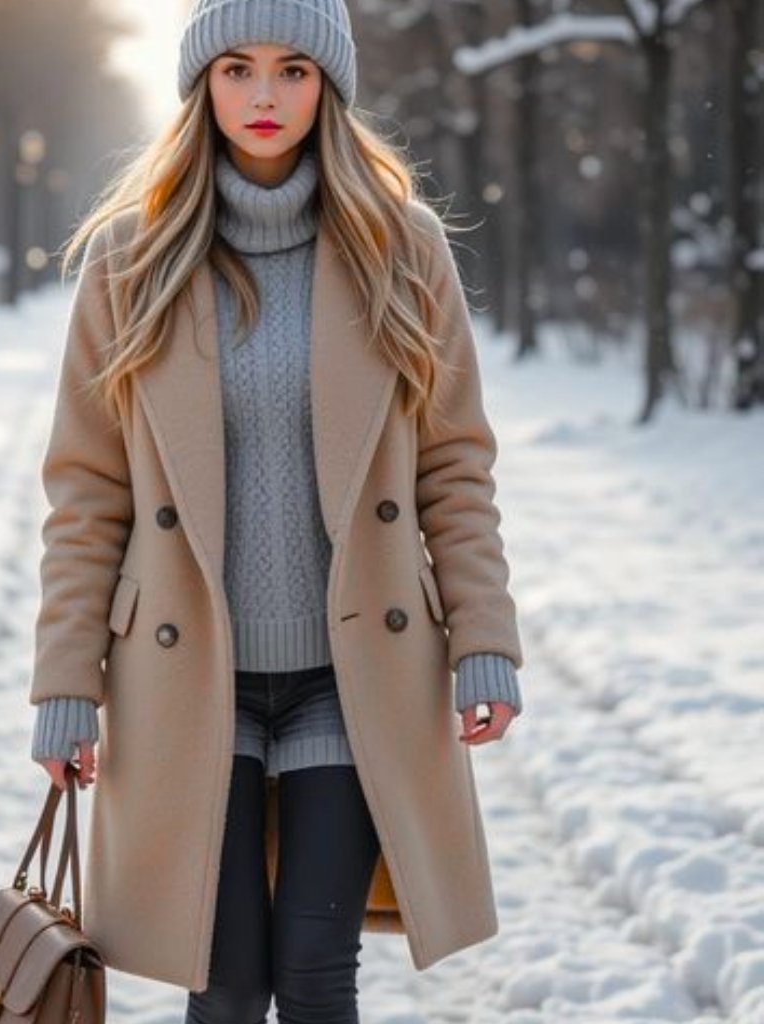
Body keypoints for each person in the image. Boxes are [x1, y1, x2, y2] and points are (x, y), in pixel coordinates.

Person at [27, 0, 525, 1019]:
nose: (263, 95)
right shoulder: (133, 258)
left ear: (329, 87)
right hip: (185, 673)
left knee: (313, 972)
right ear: (200, 85)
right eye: (238, 69)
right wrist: (64, 676)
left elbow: (453, 469)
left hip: (351, 674)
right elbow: (88, 493)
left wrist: (484, 636)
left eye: (293, 70)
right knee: (224, 982)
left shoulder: (402, 248)